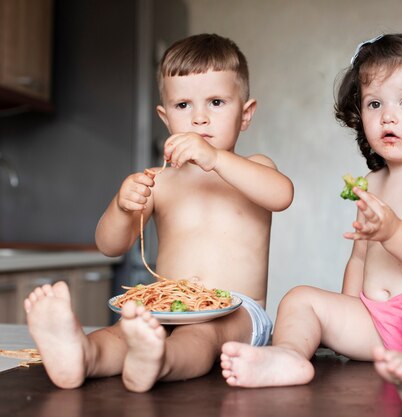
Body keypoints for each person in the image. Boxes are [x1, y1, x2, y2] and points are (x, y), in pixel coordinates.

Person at [220, 34, 402, 408]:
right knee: (301, 298)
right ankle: (288, 356)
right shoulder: (373, 183)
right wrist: (347, 315)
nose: (388, 115)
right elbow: (361, 260)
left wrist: (394, 231)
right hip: (380, 325)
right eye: (374, 103)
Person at [23, 33, 294, 393]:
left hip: (237, 312)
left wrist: (214, 159)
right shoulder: (159, 181)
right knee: (123, 330)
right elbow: (109, 245)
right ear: (166, 118)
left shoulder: (255, 167)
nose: (199, 119)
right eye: (183, 106)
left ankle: (160, 361)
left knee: (202, 335)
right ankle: (84, 354)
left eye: (215, 102)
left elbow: (281, 195)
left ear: (245, 114)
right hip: (165, 302)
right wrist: (122, 207)